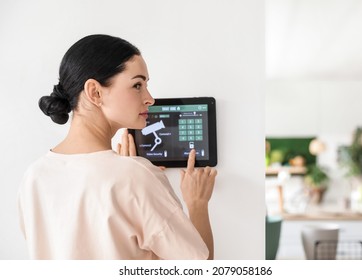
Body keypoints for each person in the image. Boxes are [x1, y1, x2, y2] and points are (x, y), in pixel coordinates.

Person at [18, 34, 217, 260]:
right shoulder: (136, 176)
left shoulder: (33, 176)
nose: (150, 98)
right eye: (137, 85)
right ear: (95, 92)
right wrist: (197, 203)